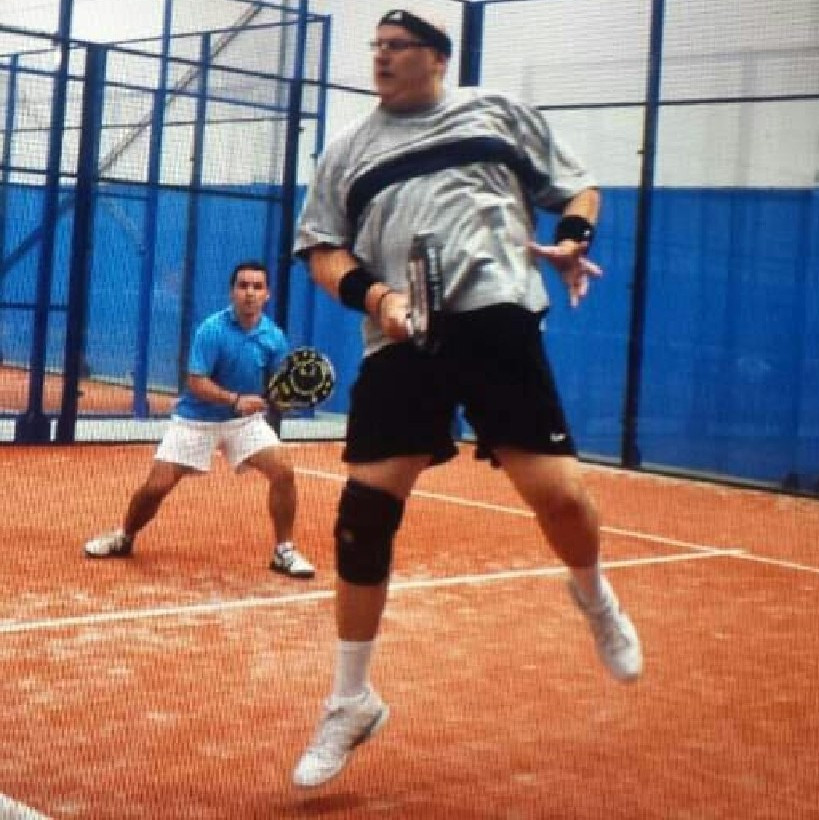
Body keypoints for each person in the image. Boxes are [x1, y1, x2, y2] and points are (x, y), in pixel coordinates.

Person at [290, 8, 643, 788]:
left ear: (436, 57)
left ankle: (593, 597)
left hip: (498, 325)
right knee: (362, 518)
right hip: (401, 338)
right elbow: (321, 251)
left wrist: (573, 240)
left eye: (396, 47)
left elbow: (577, 187)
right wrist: (378, 296)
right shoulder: (347, 149)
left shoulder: (496, 114)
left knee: (560, 498)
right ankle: (350, 700)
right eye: (375, 46)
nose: (380, 57)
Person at [83, 260, 315, 579]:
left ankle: (284, 551)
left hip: (243, 424)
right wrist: (236, 400)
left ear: (267, 294)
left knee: (284, 472)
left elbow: (279, 383)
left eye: (257, 287)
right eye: (243, 286)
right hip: (196, 420)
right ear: (232, 292)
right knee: (157, 486)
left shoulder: (273, 337)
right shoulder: (212, 330)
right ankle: (124, 536)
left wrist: (284, 401)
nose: (249, 293)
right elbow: (196, 382)